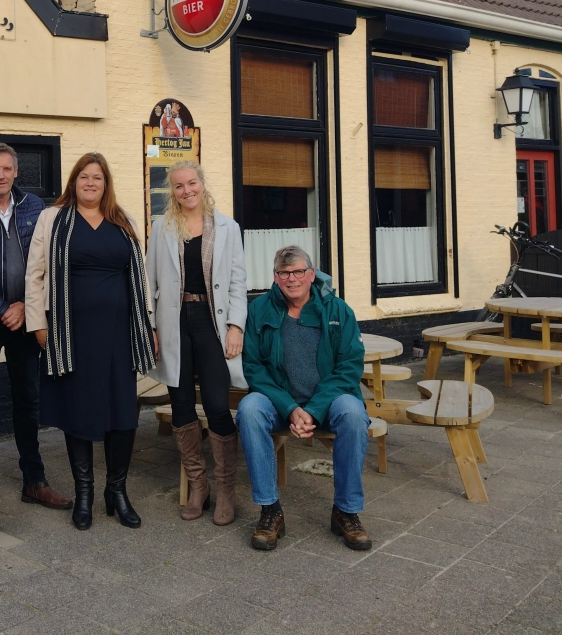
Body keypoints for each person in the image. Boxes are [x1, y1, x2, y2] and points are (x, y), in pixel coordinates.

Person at [25, 152, 155, 531]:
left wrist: (146, 324)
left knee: (122, 413)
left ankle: (116, 492)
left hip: (119, 331)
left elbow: (140, 278)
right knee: (78, 410)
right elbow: (35, 275)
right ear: (74, 181)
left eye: (97, 177)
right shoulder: (54, 218)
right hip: (71, 334)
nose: (90, 183)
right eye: (84, 177)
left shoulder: (124, 220)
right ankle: (84, 493)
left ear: (105, 182)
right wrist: (38, 325)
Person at [0, 144, 73, 524]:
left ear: (16, 171)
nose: (1, 175)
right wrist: (1, 308)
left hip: (27, 319)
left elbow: (47, 262)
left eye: (7, 168)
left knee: (29, 400)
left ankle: (34, 479)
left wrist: (26, 305)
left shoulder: (35, 208)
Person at [238, 245, 372, 552]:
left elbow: (349, 366)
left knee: (353, 414)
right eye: (284, 273)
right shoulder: (259, 310)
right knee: (249, 409)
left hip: (329, 400)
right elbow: (254, 368)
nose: (291, 279)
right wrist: (290, 408)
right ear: (275, 277)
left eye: (298, 271)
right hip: (279, 401)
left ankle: (346, 511)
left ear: (311, 275)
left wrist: (311, 410)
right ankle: (270, 511)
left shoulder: (338, 310)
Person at [145, 160, 247, 524]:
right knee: (182, 405)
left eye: (191, 183)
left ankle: (225, 491)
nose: (186, 190)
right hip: (174, 323)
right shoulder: (162, 227)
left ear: (203, 184)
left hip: (212, 324)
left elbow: (237, 281)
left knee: (219, 405)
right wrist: (152, 328)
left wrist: (236, 326)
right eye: (178, 186)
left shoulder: (227, 227)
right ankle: (198, 487)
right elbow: (149, 282)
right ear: (171, 191)